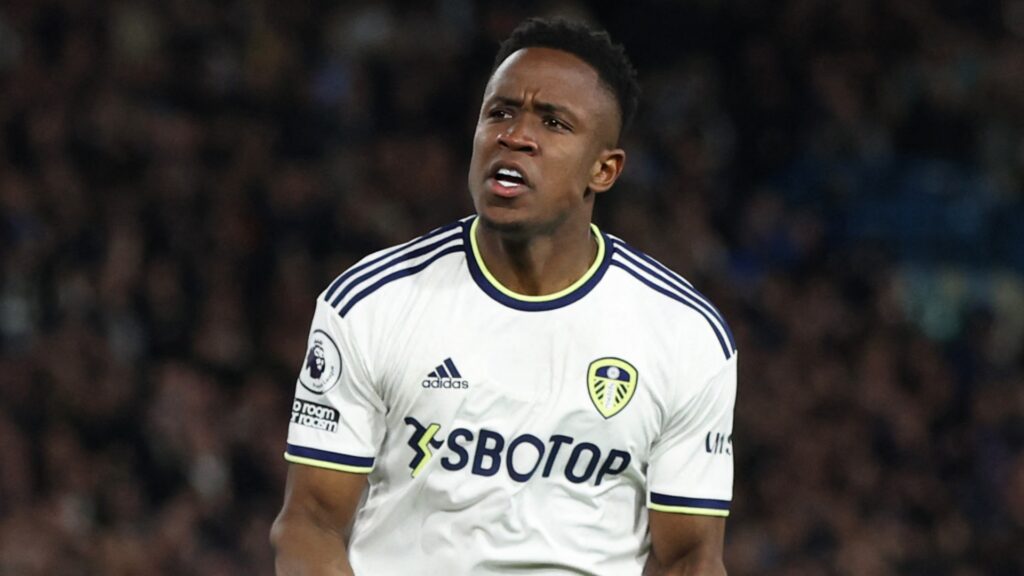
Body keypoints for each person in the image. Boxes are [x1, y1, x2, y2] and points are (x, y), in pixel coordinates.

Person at [271, 17, 737, 576]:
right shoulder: (372, 304)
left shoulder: (684, 334)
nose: (515, 135)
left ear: (604, 170)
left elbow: (691, 556)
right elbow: (310, 524)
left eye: (554, 122)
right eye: (500, 112)